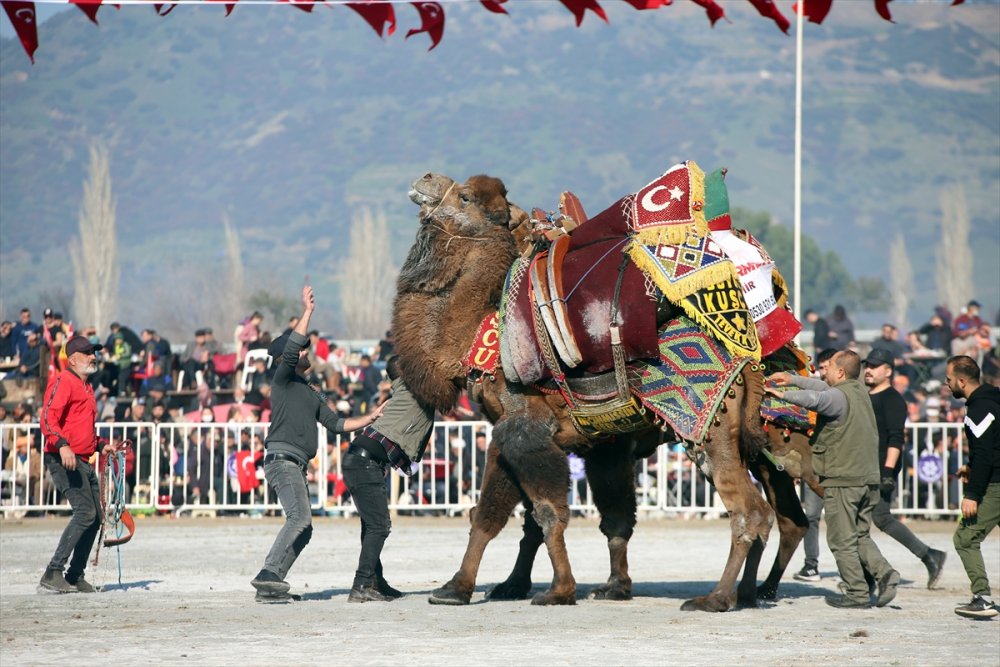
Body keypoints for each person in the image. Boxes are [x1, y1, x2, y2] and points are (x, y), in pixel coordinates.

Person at [250, 286, 384, 603]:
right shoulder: (282, 380)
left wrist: (371, 417)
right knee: (300, 520)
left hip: (293, 464)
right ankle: (268, 575)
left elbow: (337, 424)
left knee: (304, 527)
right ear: (287, 359)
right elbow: (296, 344)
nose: (309, 353)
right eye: (304, 351)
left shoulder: (311, 391)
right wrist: (307, 312)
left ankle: (272, 586)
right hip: (282, 461)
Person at [767, 350, 899, 609]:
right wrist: (791, 379)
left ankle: (857, 593)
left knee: (841, 540)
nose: (822, 371)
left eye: (828, 368)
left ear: (840, 372)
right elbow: (819, 386)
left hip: (844, 479)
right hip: (867, 478)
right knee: (860, 535)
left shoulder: (837, 398)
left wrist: (784, 396)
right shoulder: (859, 391)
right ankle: (886, 574)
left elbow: (816, 398)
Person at [342, 354, 434, 602]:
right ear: (404, 374)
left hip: (359, 460)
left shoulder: (410, 393)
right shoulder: (408, 388)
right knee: (379, 526)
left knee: (371, 525)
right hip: (364, 462)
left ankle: (375, 581)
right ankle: (361, 585)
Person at [862, 348, 947, 587]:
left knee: (877, 520)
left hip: (880, 468)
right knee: (867, 522)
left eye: (874, 366)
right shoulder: (866, 395)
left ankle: (928, 556)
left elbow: (896, 438)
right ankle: (928, 556)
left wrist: (888, 472)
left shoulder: (892, 399)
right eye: (866, 365)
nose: (868, 369)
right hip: (865, 467)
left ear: (888, 371)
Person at [38, 335, 116, 594]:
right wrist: (61, 445)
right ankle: (53, 572)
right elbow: (48, 418)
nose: (93, 356)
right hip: (64, 459)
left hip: (81, 458)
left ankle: (74, 575)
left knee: (96, 518)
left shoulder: (87, 386)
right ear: (72, 359)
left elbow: (81, 428)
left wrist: (99, 444)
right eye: (87, 352)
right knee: (86, 513)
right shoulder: (63, 380)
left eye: (94, 352)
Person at [945, 355, 1000, 619]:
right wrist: (971, 466)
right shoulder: (993, 400)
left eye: (949, 380)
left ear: (962, 381)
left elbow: (985, 452)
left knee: (965, 539)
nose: (947, 384)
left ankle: (982, 598)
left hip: (995, 485)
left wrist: (972, 495)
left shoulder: (979, 408)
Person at [792, 347, 838, 582]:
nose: (822, 372)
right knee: (811, 515)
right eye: (820, 368)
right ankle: (811, 565)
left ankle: (865, 569)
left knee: (843, 519)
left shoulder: (844, 394)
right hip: (816, 464)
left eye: (826, 367)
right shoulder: (821, 388)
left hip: (841, 467)